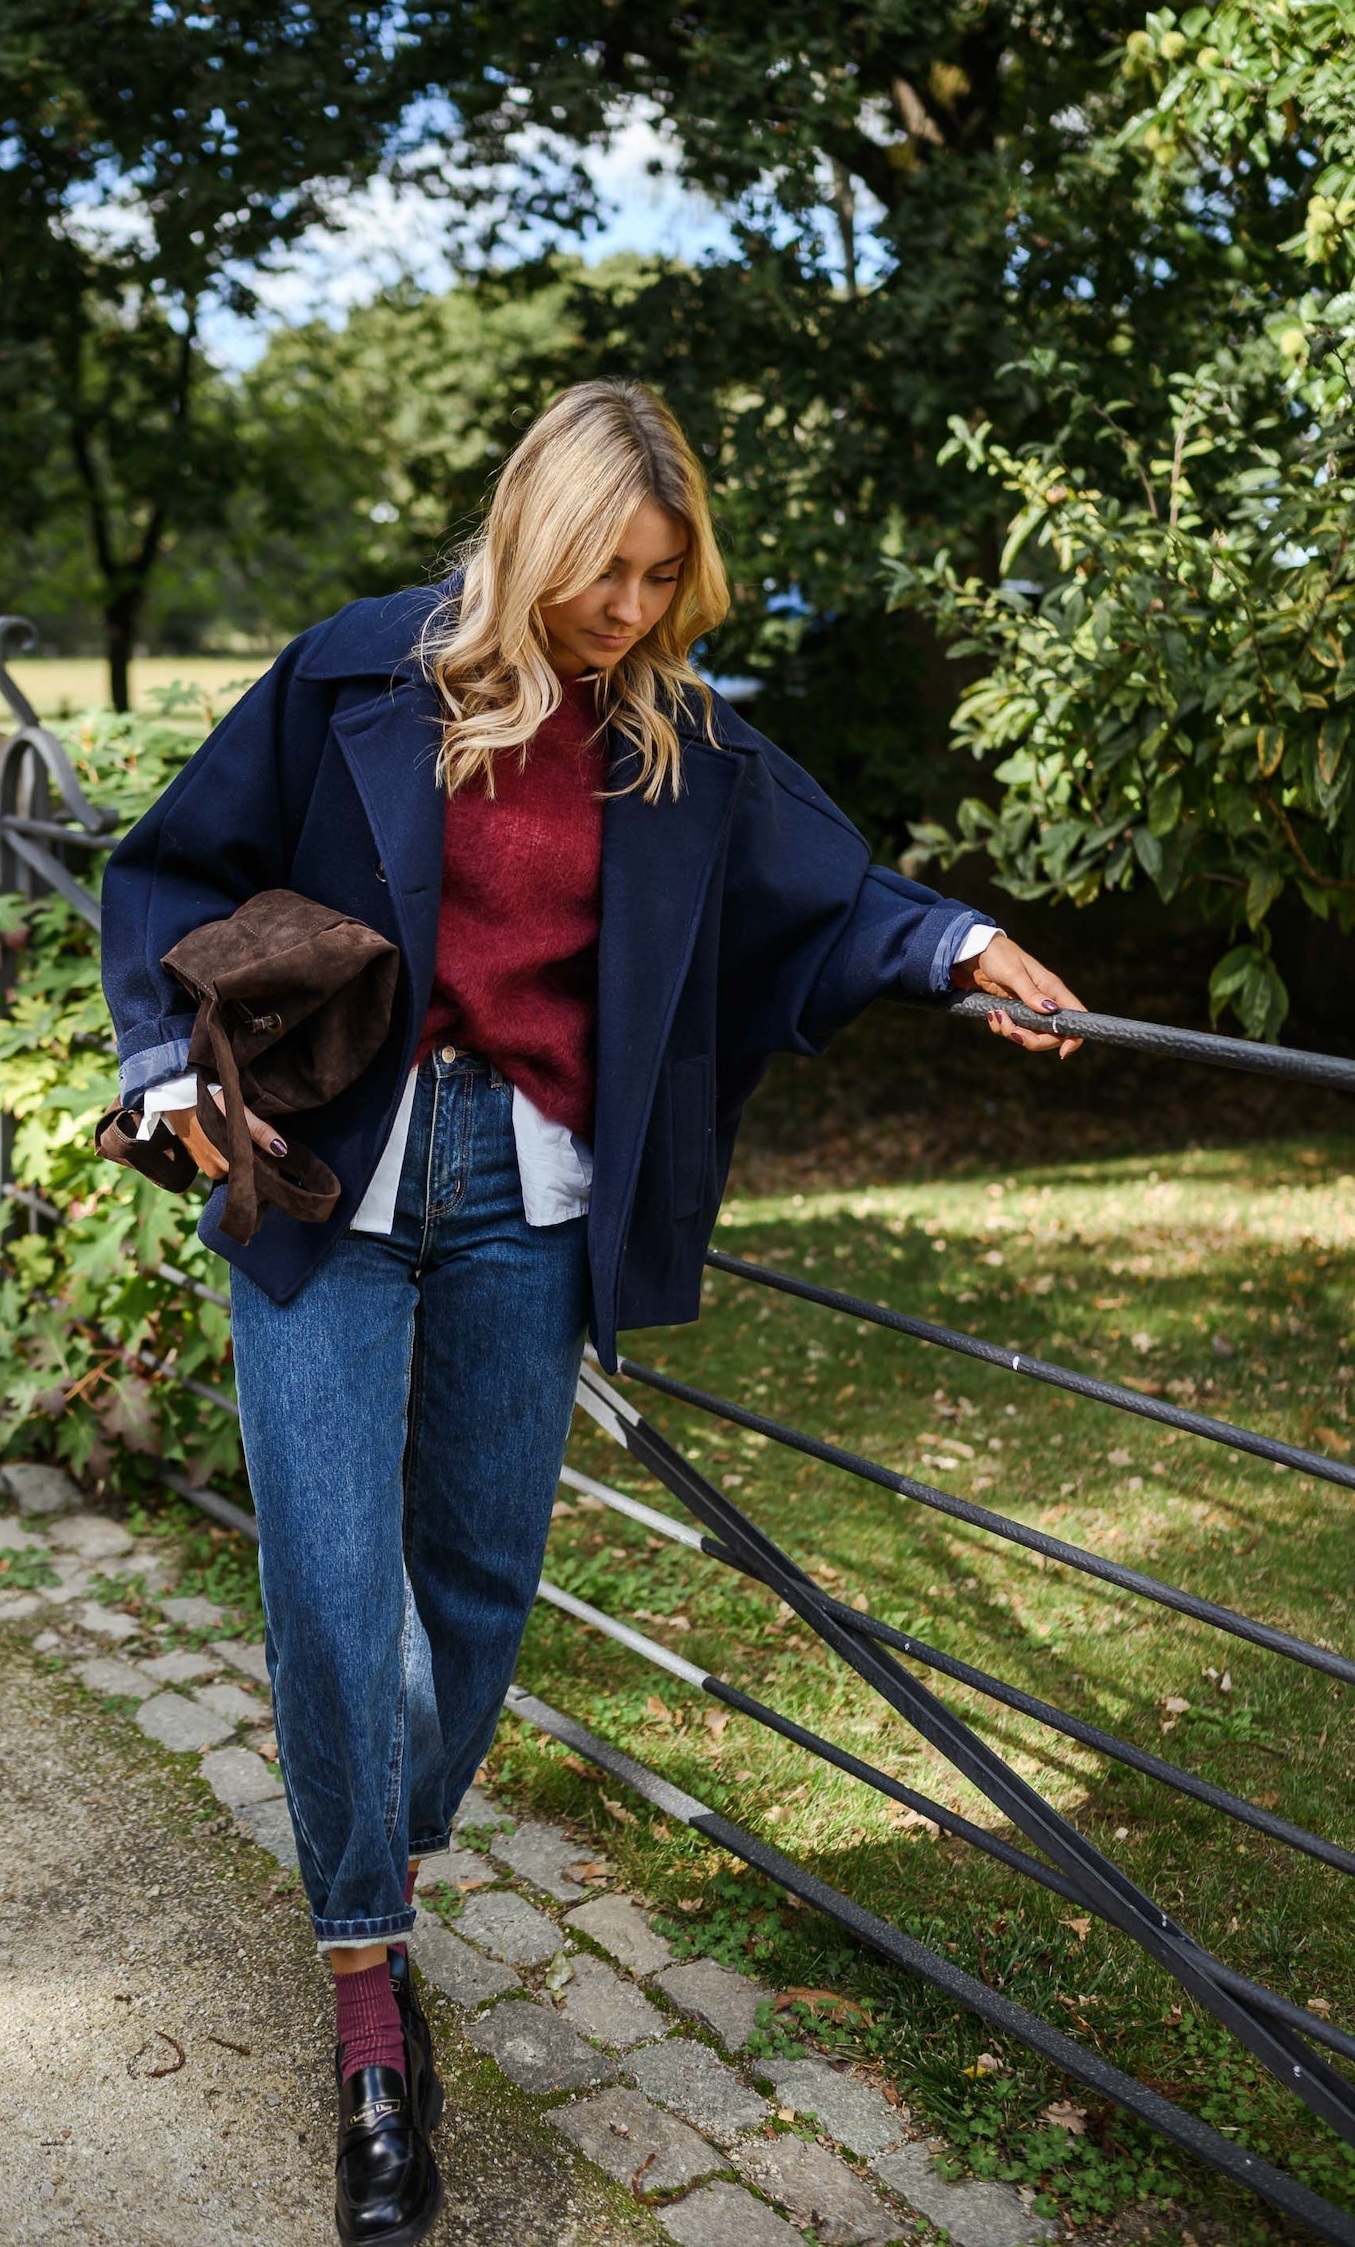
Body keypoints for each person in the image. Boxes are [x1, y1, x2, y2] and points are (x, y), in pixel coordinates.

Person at [100, 380, 1084, 2246]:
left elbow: (836, 898)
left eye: (659, 577)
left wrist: (956, 947)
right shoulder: (355, 674)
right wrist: (163, 1060)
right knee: (330, 1579)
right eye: (600, 572)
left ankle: (368, 1846)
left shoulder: (680, 741)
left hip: (528, 1205)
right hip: (330, 1174)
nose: (626, 612)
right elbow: (169, 861)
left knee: (473, 1582)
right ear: (531, 535)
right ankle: (372, 2003)